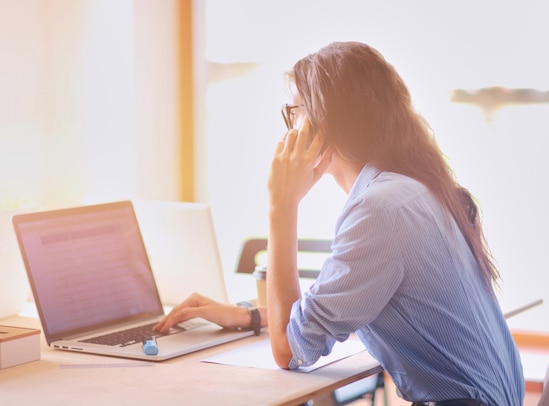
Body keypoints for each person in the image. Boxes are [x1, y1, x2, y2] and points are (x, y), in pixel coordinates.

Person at [155, 41, 524, 406]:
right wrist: (250, 316)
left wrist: (282, 206)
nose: (290, 128)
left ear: (322, 123)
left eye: (294, 112)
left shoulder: (378, 210)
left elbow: (289, 350)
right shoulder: (416, 191)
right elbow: (343, 305)